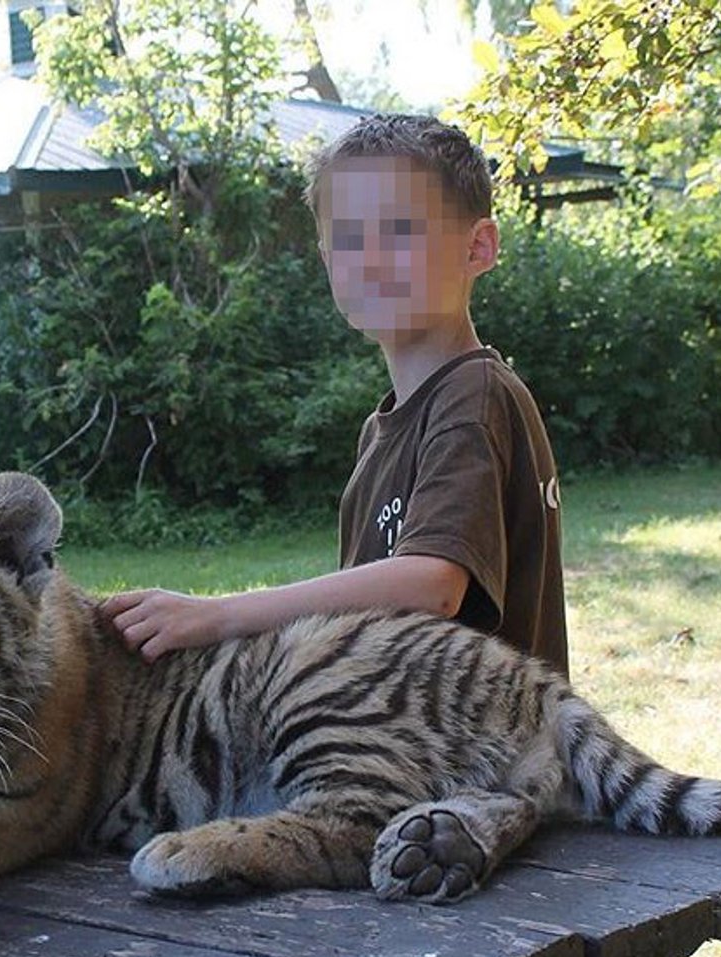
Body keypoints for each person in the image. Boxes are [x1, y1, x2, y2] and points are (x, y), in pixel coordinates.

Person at [100, 113, 569, 679]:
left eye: (399, 230)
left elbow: (432, 584)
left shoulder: (473, 396)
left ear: (479, 247)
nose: (367, 260)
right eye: (346, 238)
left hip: (487, 761)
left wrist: (218, 616)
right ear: (326, 258)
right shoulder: (382, 431)